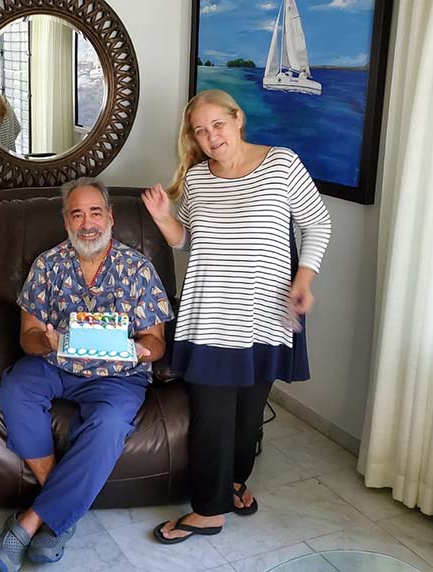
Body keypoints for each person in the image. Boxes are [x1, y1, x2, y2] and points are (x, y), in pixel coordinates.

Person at [142, 89, 331, 543]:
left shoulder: (281, 165)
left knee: (248, 419)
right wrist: (165, 216)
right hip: (208, 316)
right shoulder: (199, 178)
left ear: (238, 118)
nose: (210, 137)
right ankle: (209, 511)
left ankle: (234, 481)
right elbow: (182, 238)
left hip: (265, 316)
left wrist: (302, 280)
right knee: (212, 415)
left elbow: (317, 222)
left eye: (217, 125)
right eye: (200, 131)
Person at [0, 178, 174, 571]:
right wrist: (49, 343)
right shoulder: (48, 264)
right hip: (56, 364)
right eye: (77, 214)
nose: (87, 223)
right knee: (14, 389)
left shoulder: (138, 268)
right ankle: (62, 512)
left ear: (110, 216)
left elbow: (155, 340)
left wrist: (143, 351)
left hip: (118, 375)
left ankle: (32, 521)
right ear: (65, 220)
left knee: (109, 425)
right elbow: (28, 336)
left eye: (95, 213)